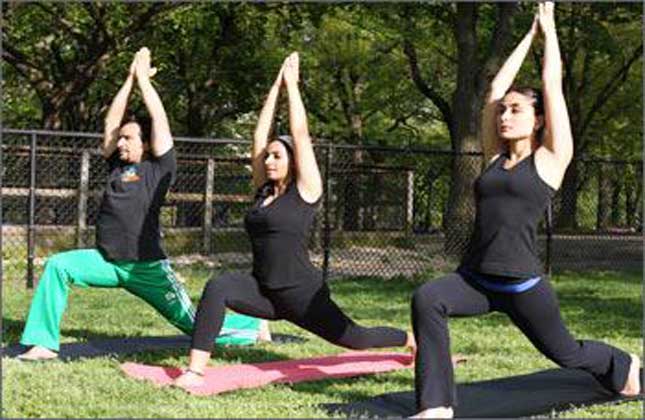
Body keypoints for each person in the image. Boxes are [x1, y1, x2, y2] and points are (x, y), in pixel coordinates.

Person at [410, 3, 641, 418]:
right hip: (476, 278)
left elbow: (552, 84)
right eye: (504, 111)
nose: (504, 115)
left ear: (538, 121)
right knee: (428, 298)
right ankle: (437, 405)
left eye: (517, 110)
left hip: (520, 284)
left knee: (567, 354)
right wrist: (527, 37)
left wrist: (549, 31)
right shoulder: (494, 158)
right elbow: (495, 88)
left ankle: (621, 363)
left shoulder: (551, 158)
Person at [172, 52, 415, 387]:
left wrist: (292, 87)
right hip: (263, 291)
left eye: (277, 156)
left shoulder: (305, 191)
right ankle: (195, 370)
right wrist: (273, 88)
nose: (269, 160)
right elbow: (258, 139)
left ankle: (409, 338)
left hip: (301, 295)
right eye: (268, 156)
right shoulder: (263, 191)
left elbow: (300, 135)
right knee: (218, 287)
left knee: (355, 338)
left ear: (293, 161)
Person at [18, 47, 267, 361]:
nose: (120, 142)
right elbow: (110, 122)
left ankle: (250, 326)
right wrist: (129, 79)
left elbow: (159, 120)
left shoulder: (159, 168)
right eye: (120, 138)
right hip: (107, 261)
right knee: (58, 265)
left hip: (146, 267)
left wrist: (145, 83)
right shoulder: (116, 167)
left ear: (146, 144)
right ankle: (42, 343)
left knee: (192, 324)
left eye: (129, 138)